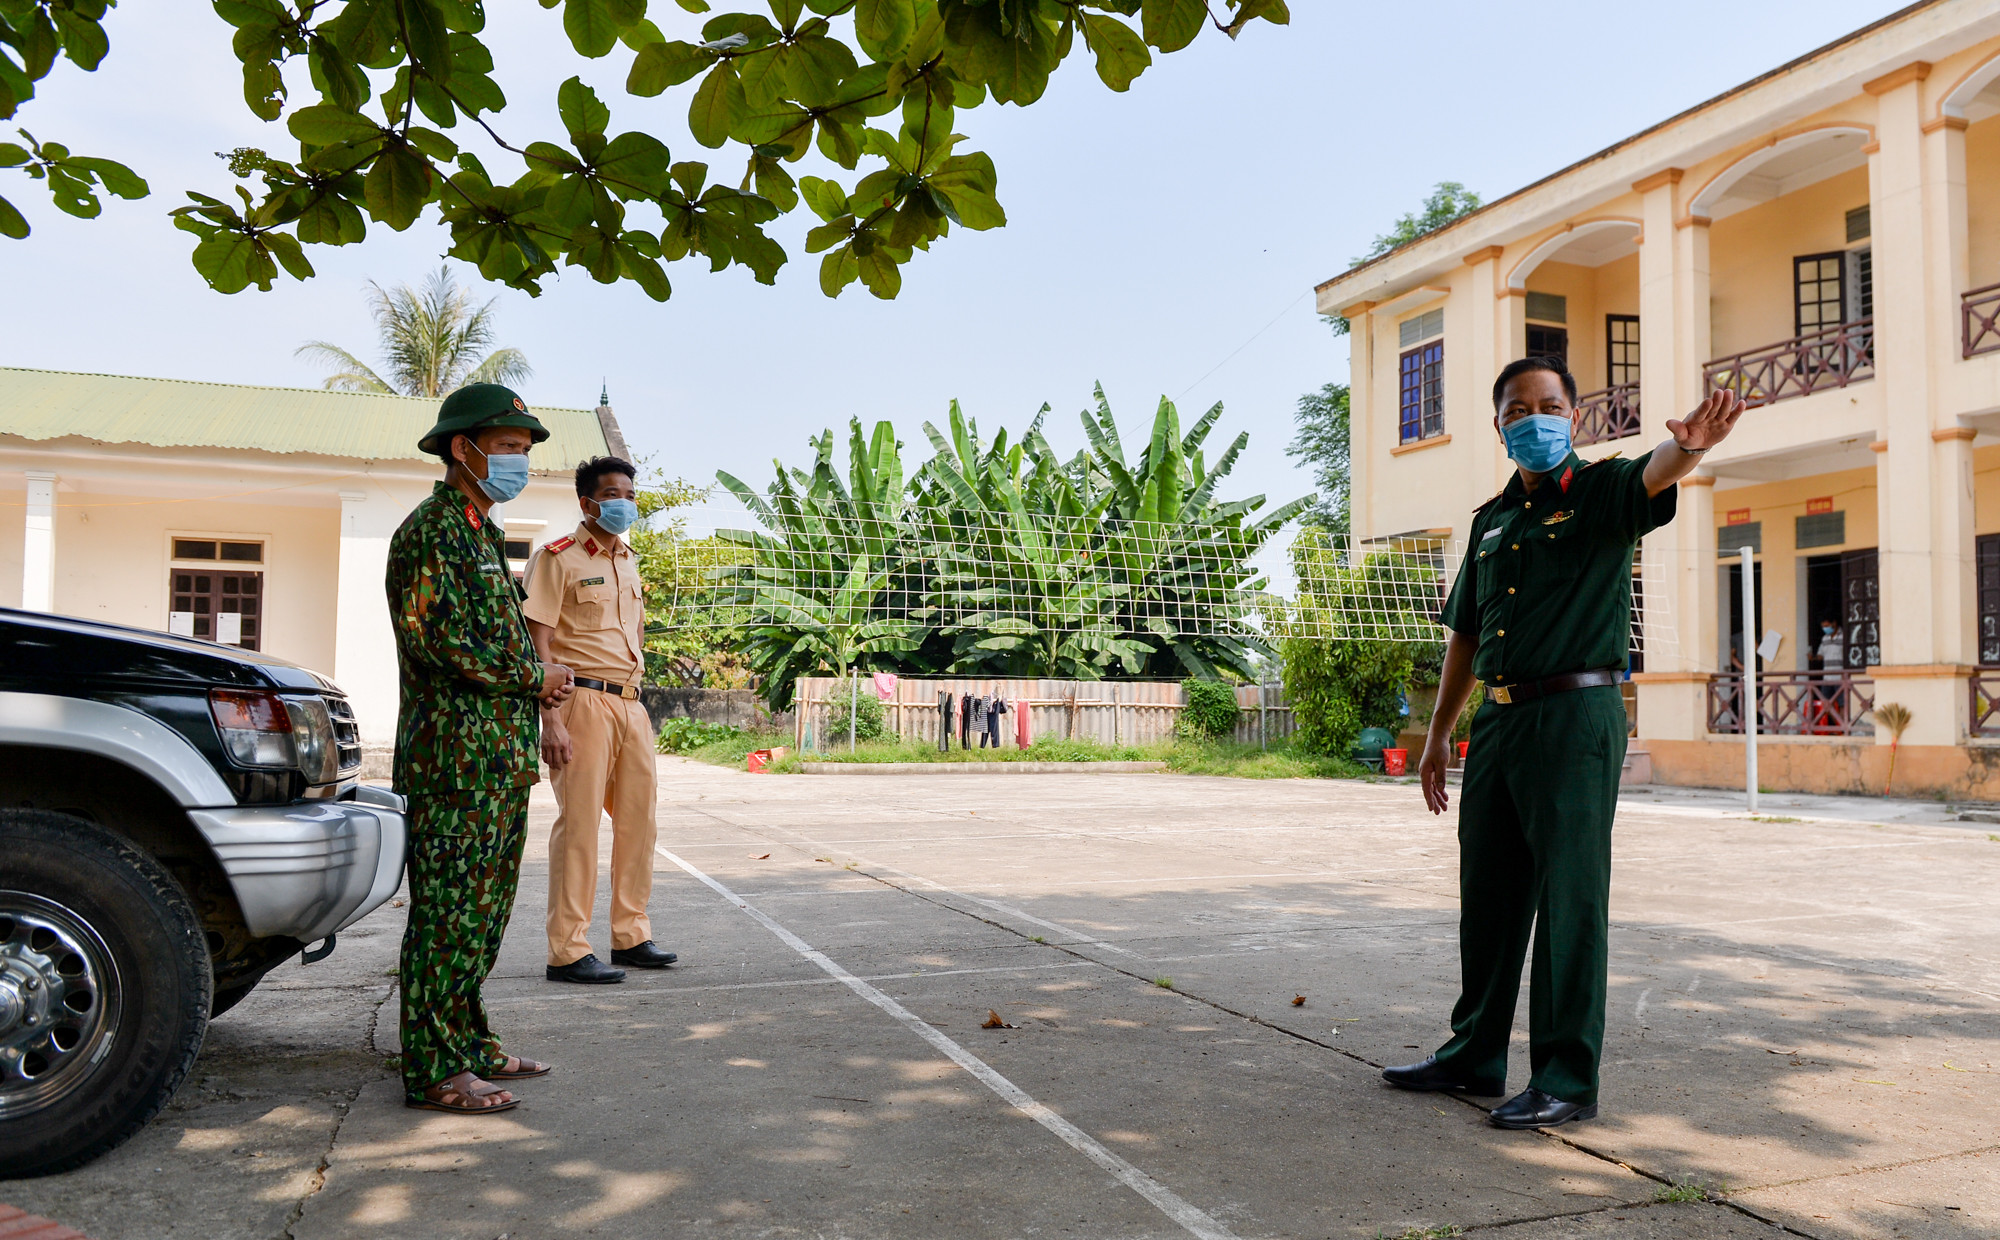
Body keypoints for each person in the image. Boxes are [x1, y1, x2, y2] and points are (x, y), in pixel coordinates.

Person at [1388, 357, 1744, 1130]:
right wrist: (1440, 734)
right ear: (1499, 425)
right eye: (1519, 409)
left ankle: (1565, 1077)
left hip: (1576, 718)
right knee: (1487, 895)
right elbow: (1466, 635)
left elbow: (1655, 473)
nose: (1535, 418)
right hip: (1501, 722)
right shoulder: (1491, 522)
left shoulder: (1600, 493)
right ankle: (1473, 1055)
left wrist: (1691, 447)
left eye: (1550, 406)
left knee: (1569, 900)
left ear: (1573, 418)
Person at [387, 383, 576, 1115]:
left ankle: (467, 1039)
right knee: (446, 912)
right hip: (452, 762)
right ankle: (435, 1067)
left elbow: (488, 643)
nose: (517, 462)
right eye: (506, 449)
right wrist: (537, 674)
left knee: (484, 912)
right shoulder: (431, 531)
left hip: (495, 758)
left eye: (524, 452)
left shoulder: (479, 532)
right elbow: (437, 642)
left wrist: (534, 687)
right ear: (462, 450)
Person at [523, 456, 679, 984]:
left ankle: (630, 935)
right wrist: (551, 720)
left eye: (631, 495)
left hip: (631, 704)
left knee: (640, 824)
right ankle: (567, 950)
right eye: (613, 494)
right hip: (581, 700)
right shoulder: (557, 558)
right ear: (587, 502)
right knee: (581, 827)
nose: (625, 503)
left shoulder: (629, 560)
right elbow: (537, 642)